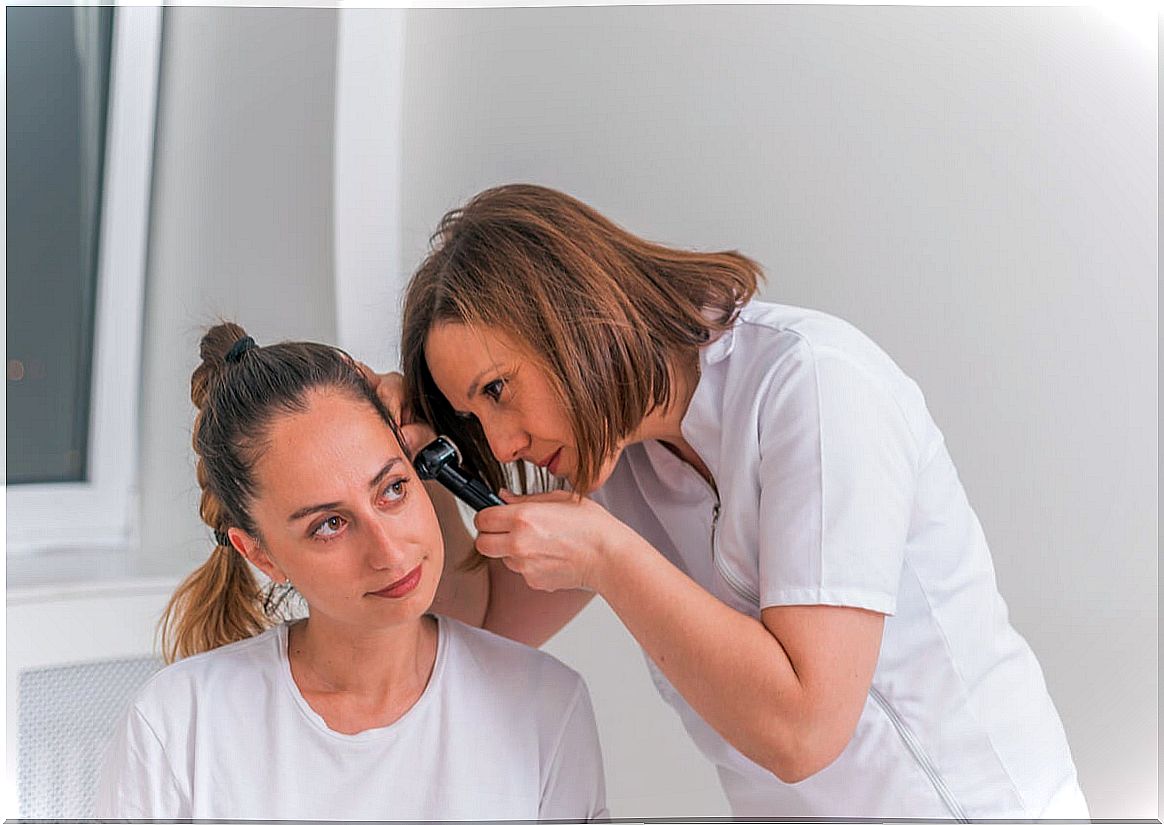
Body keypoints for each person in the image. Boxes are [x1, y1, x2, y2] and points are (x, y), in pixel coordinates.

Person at [376, 184, 1089, 819]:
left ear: (574, 319)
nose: (501, 443)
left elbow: (803, 729)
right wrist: (417, 470)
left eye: (498, 390)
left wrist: (609, 557)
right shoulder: (619, 464)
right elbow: (483, 621)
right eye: (474, 419)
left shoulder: (812, 387)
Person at [95, 323, 608, 821]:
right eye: (330, 524)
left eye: (392, 489)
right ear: (261, 556)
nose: (388, 551)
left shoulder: (544, 705)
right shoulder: (178, 724)